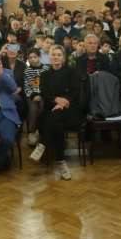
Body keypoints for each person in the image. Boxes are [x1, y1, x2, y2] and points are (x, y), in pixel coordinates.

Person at [37, 45, 81, 180]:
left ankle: (43, 144)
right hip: (51, 109)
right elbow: (45, 94)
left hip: (69, 110)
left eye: (58, 55)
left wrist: (63, 103)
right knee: (57, 125)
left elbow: (75, 91)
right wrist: (57, 100)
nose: (55, 57)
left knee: (55, 120)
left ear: (63, 58)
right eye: (53, 54)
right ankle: (61, 163)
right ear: (49, 57)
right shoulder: (43, 75)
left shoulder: (71, 72)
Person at [23, 48, 48, 146]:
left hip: (43, 94)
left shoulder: (46, 69)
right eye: (30, 58)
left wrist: (41, 95)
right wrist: (33, 95)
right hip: (31, 95)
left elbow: (47, 85)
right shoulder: (27, 71)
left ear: (39, 57)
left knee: (43, 107)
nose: (33, 59)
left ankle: (41, 131)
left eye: (35, 57)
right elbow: (26, 86)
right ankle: (31, 132)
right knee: (33, 109)